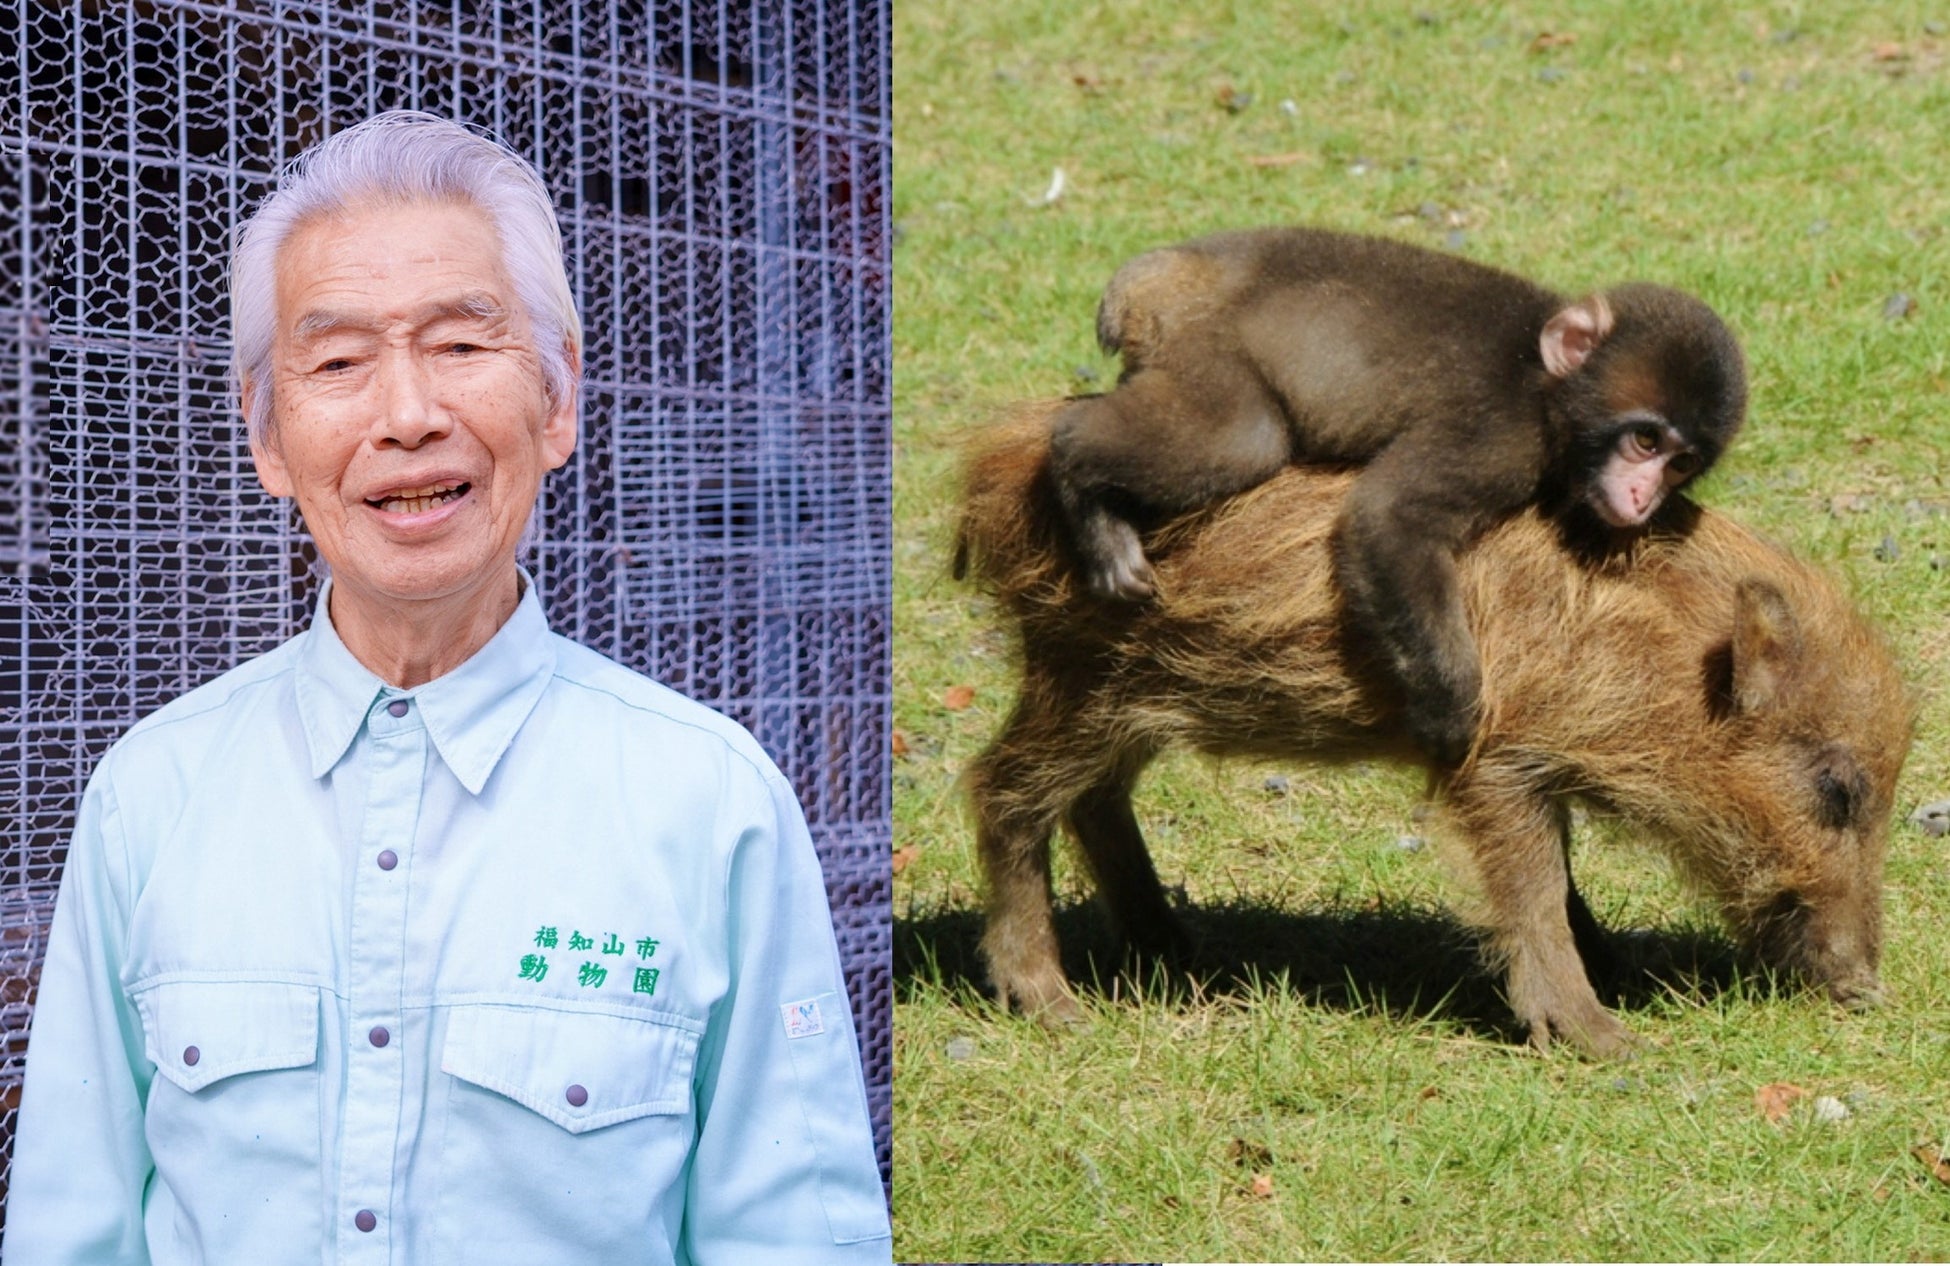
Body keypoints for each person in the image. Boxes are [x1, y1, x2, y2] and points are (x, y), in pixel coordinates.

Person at [4, 111, 892, 1265]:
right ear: (267, 437)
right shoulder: (148, 796)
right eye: (338, 363)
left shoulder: (713, 802)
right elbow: (70, 1232)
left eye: (462, 344)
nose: (408, 416)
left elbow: (793, 1238)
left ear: (557, 401)